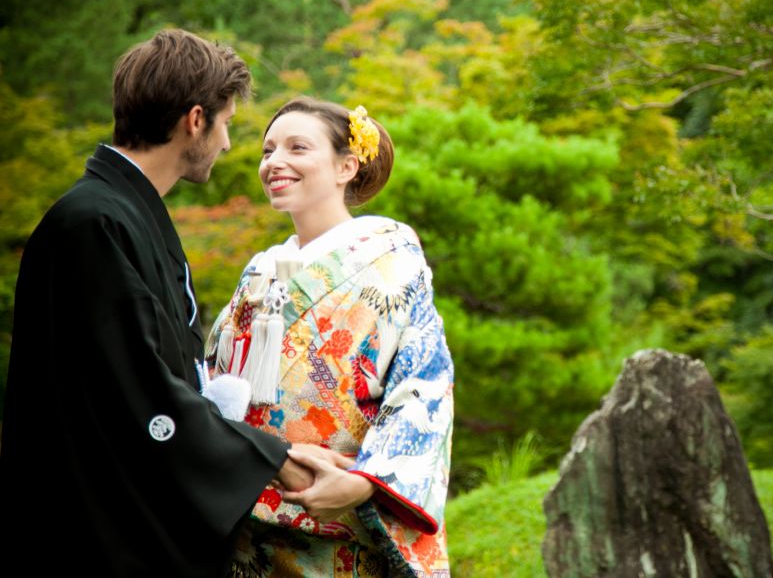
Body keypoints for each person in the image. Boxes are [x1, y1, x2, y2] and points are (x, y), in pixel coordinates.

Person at [0, 29, 322, 577]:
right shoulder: (93, 223)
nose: (225, 144)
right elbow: (136, 392)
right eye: (224, 125)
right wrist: (273, 460)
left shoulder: (118, 213)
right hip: (95, 537)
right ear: (194, 120)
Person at [205, 97, 453, 577]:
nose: (275, 162)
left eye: (298, 148)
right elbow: (216, 381)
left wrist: (367, 484)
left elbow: (425, 384)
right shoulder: (259, 272)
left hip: (343, 510)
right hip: (251, 509)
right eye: (267, 150)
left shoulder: (392, 260)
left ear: (346, 166)